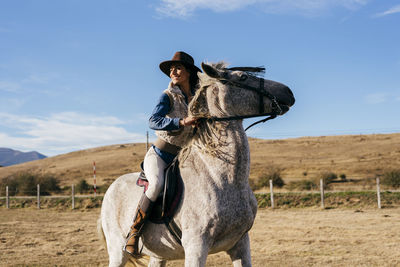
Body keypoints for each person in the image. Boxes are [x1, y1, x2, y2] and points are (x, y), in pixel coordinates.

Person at [123, 51, 201, 257]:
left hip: (184, 158)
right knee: (156, 184)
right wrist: (181, 122)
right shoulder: (167, 96)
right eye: (171, 69)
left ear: (189, 72)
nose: (173, 72)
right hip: (160, 155)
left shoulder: (198, 97)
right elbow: (153, 121)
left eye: (178, 68)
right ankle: (134, 233)